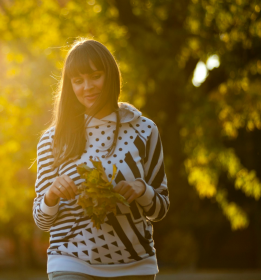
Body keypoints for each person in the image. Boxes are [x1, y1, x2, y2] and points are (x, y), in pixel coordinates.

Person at [32, 39, 169, 280]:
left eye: (95, 76)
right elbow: (42, 220)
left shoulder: (144, 130)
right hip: (70, 261)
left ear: (111, 76)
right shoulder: (52, 139)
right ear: (70, 86)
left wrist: (142, 189)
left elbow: (161, 208)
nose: (87, 87)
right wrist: (51, 194)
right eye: (78, 80)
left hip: (135, 265)